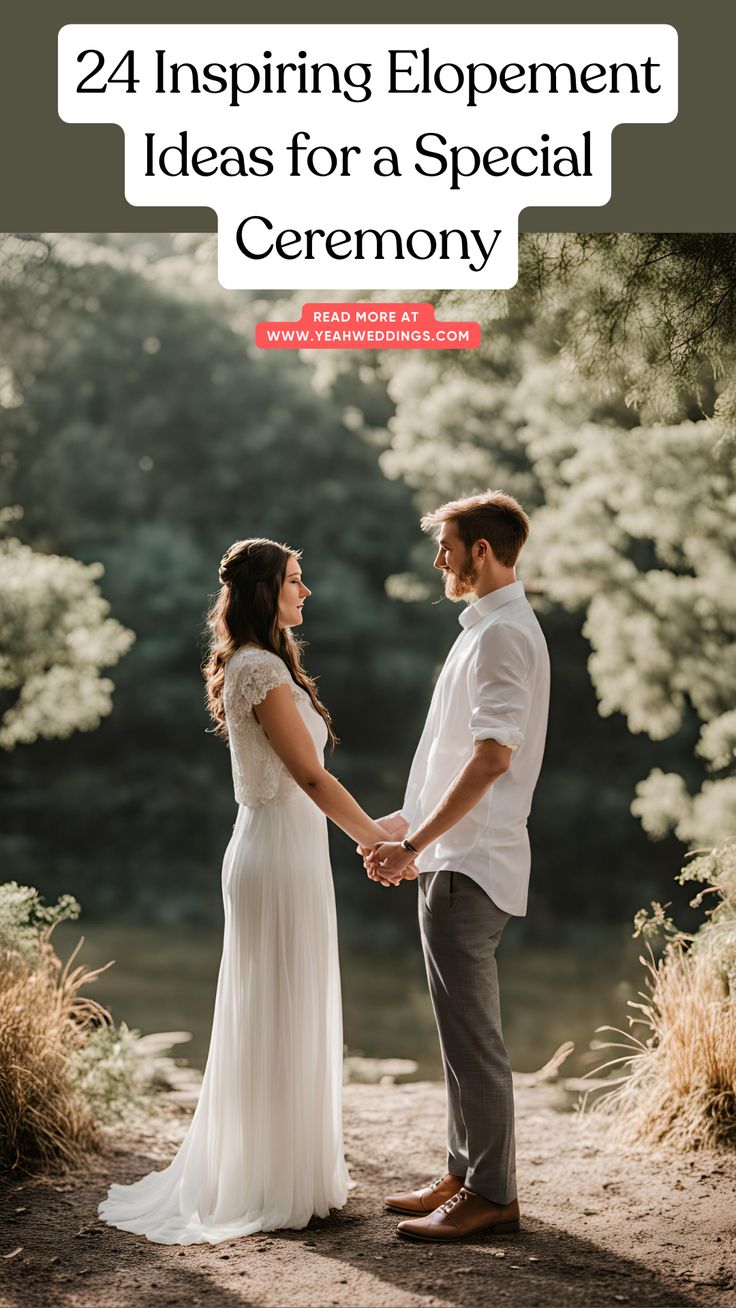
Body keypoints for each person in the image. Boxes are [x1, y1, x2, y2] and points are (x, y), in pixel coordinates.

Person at [97, 537, 400, 1245]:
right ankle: (263, 1181)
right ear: (266, 591)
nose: (308, 591)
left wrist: (375, 826)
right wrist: (375, 840)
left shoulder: (265, 664)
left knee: (292, 1004)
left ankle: (290, 1169)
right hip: (273, 857)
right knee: (274, 1006)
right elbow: (311, 777)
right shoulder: (259, 669)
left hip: (292, 852)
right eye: (297, 580)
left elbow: (313, 783)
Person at [363, 490, 550, 1244]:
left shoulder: (505, 634)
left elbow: (491, 761)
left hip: (469, 862)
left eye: (447, 545)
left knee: (474, 1039)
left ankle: (493, 1195)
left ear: (481, 550)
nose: (437, 558)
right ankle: (462, 1172)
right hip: (449, 852)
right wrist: (406, 826)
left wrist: (416, 847)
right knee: (455, 1032)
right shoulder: (485, 629)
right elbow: (449, 760)